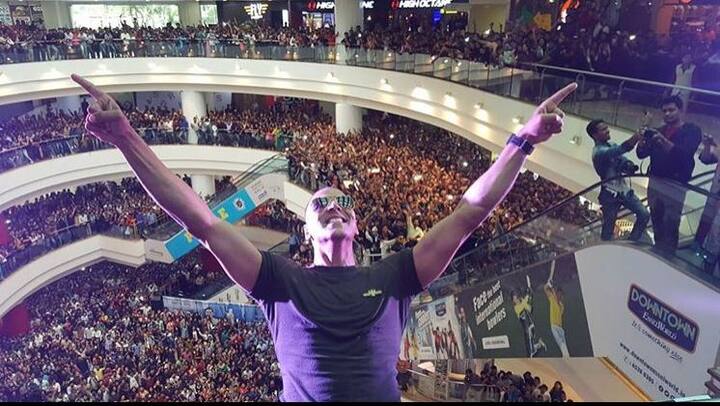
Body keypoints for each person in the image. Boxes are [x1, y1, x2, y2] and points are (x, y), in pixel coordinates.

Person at [70, 73, 576, 402]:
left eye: (343, 202)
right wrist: (125, 138)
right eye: (320, 204)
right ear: (305, 227)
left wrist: (522, 141)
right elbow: (200, 220)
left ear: (356, 225)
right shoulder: (276, 279)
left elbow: (471, 212)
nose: (334, 206)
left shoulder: (396, 275)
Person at [636, 96, 702, 255]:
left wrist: (662, 141)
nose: (667, 114)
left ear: (680, 110)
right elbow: (641, 153)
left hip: (675, 184)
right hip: (655, 182)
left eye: (671, 110)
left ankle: (669, 255)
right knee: (656, 218)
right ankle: (658, 249)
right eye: (664, 111)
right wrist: (643, 137)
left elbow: (683, 156)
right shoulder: (659, 130)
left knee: (671, 221)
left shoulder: (691, 131)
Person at [587, 118, 649, 241]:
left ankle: (632, 241)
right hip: (609, 194)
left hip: (623, 190)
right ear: (595, 135)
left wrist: (628, 165)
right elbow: (619, 150)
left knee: (644, 214)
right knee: (608, 229)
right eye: (603, 129)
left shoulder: (611, 144)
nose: (607, 130)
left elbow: (621, 159)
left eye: (606, 127)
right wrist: (635, 137)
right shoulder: (598, 152)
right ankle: (607, 248)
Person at [695, 132, 720, 273]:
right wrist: (707, 145)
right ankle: (707, 268)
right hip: (714, 201)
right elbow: (705, 159)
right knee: (711, 237)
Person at [544, 260, 569, 357]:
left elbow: (559, 311)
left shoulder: (562, 306)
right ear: (557, 293)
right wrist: (548, 284)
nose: (561, 296)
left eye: (562, 295)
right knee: (563, 348)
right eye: (560, 294)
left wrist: (552, 290)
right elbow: (545, 289)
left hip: (561, 329)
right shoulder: (552, 298)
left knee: (565, 350)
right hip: (554, 327)